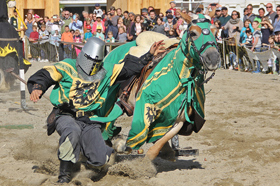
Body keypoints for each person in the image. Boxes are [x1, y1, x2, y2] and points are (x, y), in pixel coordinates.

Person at [27, 36, 165, 183]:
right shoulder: (67, 66)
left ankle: (82, 160)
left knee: (100, 159)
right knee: (72, 131)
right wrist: (37, 87)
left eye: (96, 63)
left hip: (89, 119)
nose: (92, 66)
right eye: (90, 61)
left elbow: (130, 67)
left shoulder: (106, 71)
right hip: (66, 115)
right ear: (83, 56)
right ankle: (64, 177)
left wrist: (149, 54)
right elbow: (45, 75)